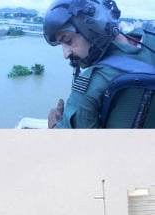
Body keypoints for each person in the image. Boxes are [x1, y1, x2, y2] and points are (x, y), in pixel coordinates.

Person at [43, 0, 155, 128]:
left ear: (94, 26)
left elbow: (74, 144)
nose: (66, 54)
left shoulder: (89, 86)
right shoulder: (151, 38)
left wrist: (54, 125)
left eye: (68, 40)